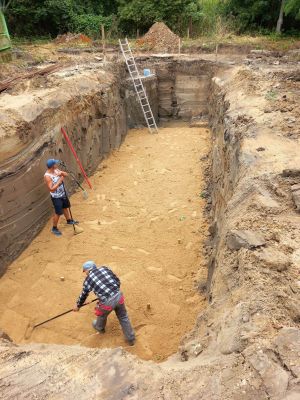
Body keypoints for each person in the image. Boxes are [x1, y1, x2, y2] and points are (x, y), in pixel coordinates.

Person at [74, 261, 135, 346]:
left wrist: (78, 305)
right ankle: (131, 339)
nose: (85, 273)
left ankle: (99, 328)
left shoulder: (88, 280)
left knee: (102, 315)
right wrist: (112, 291)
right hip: (119, 296)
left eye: (85, 271)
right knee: (123, 316)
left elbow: (84, 294)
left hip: (107, 303)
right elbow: (117, 280)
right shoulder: (105, 268)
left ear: (88, 270)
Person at [44, 159, 78, 237]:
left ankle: (69, 220)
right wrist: (60, 181)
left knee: (65, 207)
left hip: (63, 194)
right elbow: (51, 189)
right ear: (53, 166)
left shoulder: (56, 170)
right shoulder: (47, 176)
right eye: (55, 163)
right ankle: (54, 228)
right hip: (56, 197)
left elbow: (66, 175)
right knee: (58, 212)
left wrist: (62, 173)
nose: (57, 164)